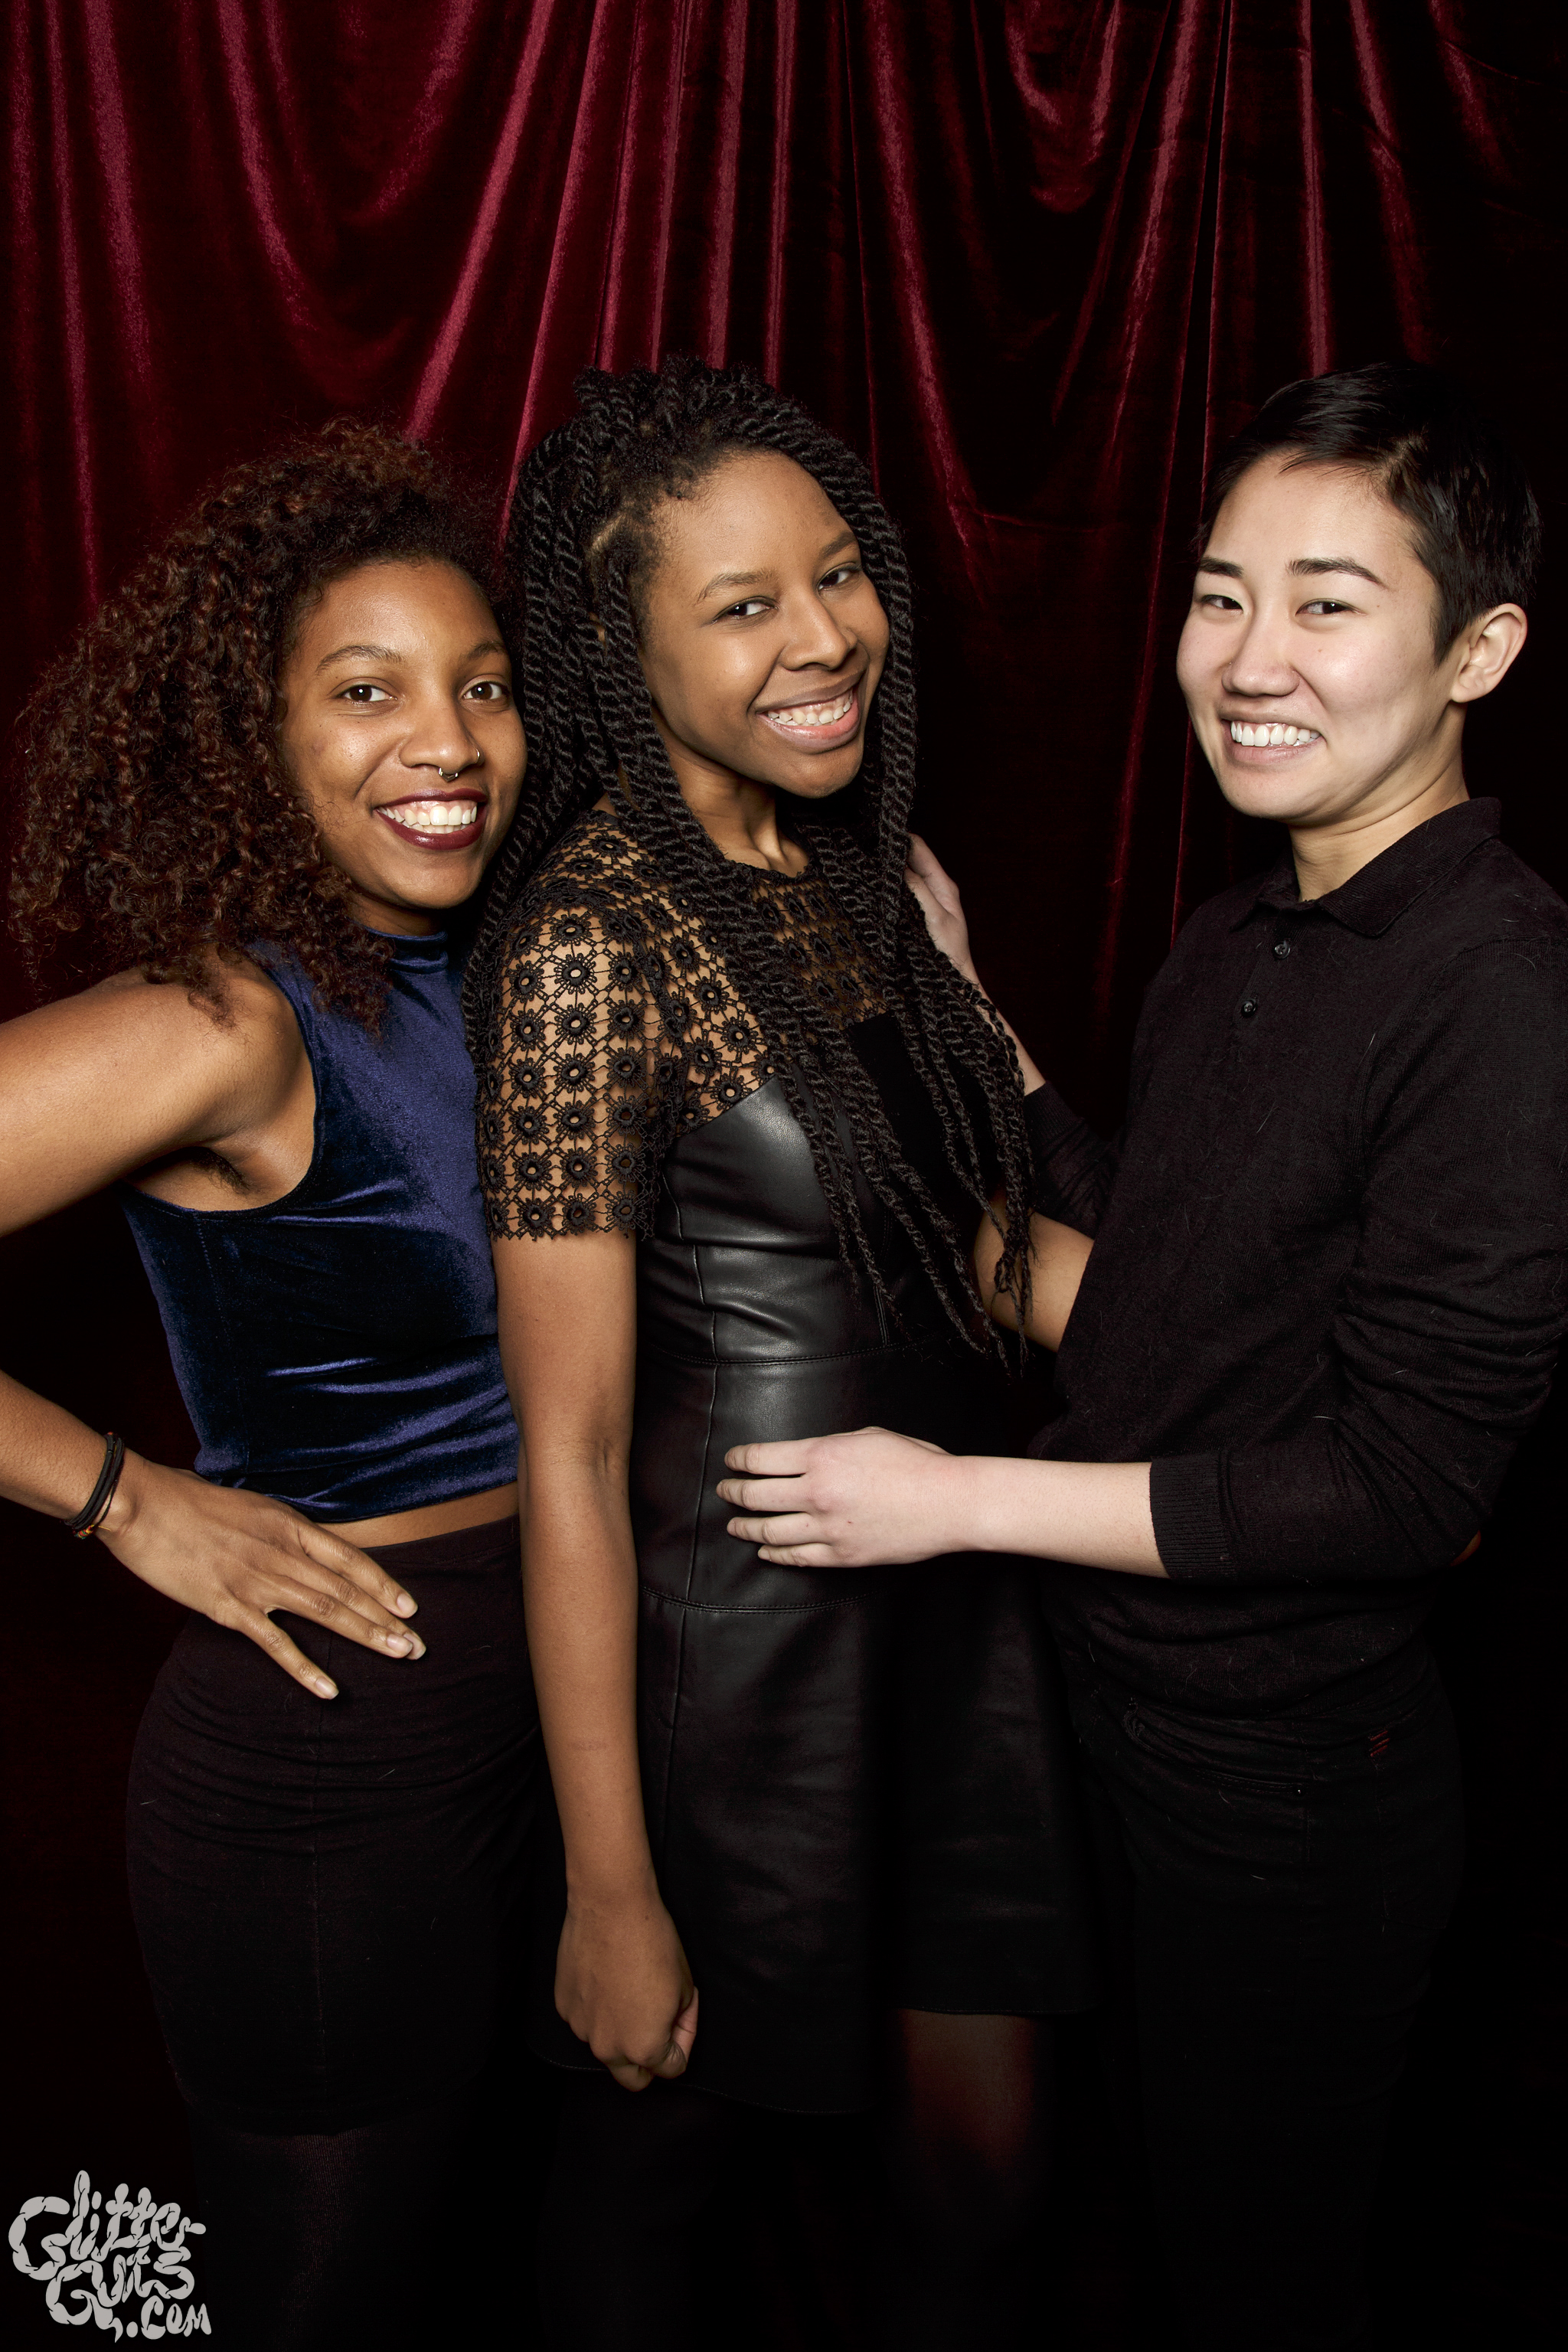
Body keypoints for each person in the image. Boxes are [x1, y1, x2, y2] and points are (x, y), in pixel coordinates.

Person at [718, 362, 1568, 2349]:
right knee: (1108, 2237)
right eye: (1218, 593)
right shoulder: (1243, 937)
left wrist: (952, 1499)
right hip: (1113, 1718)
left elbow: (1402, 1490)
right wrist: (980, 1034)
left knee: (1249, 2280)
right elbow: (1172, 1291)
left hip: (1289, 1799)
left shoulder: (1503, 994)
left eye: (1328, 603)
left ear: (1477, 653)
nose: (1249, 659)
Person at [462, 355, 1098, 2349]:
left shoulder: (860, 879)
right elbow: (568, 1458)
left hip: (961, 1622)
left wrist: (1311, 1383)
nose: (826, 637)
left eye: (837, 574)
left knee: (988, 2184)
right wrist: (611, 1885)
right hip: (736, 1685)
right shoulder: (584, 949)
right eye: (745, 604)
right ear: (618, 647)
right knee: (656, 2189)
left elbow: (981, 1261)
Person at [2, 423, 537, 2350]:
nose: (446, 741)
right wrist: (121, 1497)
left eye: (483, 684)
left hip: (537, 1724)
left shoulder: (514, 973)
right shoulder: (230, 1016)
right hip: (329, 1763)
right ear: (262, 736)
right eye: (368, 691)